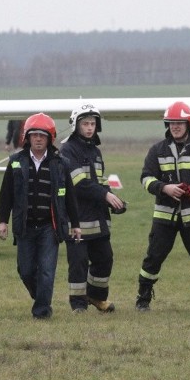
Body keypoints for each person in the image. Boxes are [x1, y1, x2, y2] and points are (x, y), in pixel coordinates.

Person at [136, 100, 190, 311]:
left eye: (179, 123)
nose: (175, 126)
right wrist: (164, 188)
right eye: (171, 123)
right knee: (153, 257)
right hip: (165, 216)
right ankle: (143, 298)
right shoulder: (157, 150)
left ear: (189, 124)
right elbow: (145, 178)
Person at [0, 113, 81, 319]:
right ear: (27, 137)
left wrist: (75, 224)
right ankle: (41, 296)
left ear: (50, 138)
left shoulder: (61, 163)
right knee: (25, 270)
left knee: (46, 271)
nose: (38, 139)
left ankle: (42, 311)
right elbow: (5, 193)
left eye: (42, 136)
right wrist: (2, 221)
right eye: (34, 135)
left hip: (49, 228)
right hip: (25, 226)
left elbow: (70, 195)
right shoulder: (16, 162)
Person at [59, 103, 125, 313]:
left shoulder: (95, 151)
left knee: (105, 259)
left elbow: (100, 180)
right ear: (75, 125)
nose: (89, 128)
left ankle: (96, 297)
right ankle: (78, 305)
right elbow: (78, 183)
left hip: (98, 218)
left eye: (93, 124)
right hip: (77, 218)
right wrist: (105, 194)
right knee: (78, 263)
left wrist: (113, 199)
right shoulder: (67, 150)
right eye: (85, 123)